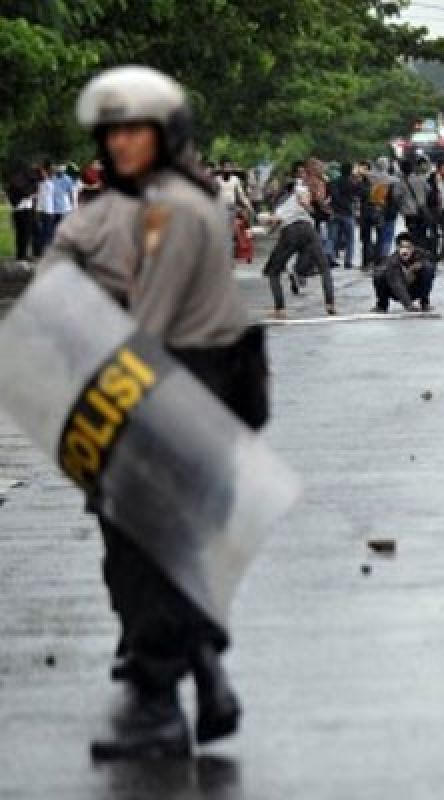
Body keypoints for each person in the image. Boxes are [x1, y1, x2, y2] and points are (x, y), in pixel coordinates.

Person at [43, 65, 271, 760]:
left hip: (174, 384)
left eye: (137, 132)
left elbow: (147, 321)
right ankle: (203, 674)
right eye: (112, 133)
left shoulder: (178, 209)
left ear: (167, 136)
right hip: (134, 383)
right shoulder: (112, 209)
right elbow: (57, 273)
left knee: (146, 551)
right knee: (145, 550)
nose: (122, 145)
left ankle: (157, 704)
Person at [262, 182, 337, 318]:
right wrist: (307, 205)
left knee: (273, 271)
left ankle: (280, 309)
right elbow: (304, 198)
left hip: (290, 232)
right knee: (324, 267)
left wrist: (266, 220)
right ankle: (330, 304)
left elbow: (274, 225)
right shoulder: (298, 192)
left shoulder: (281, 203)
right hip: (309, 230)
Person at [372, 232, 436, 313]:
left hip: (415, 290)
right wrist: (408, 305)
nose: (405, 250)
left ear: (413, 247)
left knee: (428, 269)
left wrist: (417, 267)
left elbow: (431, 264)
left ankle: (424, 302)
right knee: (379, 274)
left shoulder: (422, 255)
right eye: (402, 247)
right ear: (397, 248)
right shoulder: (393, 261)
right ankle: (382, 305)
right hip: (396, 292)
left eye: (408, 247)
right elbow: (397, 284)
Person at [328, 160, 360, 269]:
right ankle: (348, 261)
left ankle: (330, 258)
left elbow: (333, 195)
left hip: (335, 212)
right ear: (350, 171)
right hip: (348, 213)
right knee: (350, 239)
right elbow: (358, 194)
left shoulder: (334, 182)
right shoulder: (352, 183)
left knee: (332, 237)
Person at [4, 163, 38, 262]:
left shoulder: (15, 181)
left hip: (17, 210)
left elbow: (11, 194)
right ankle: (22, 256)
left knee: (19, 234)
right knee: (25, 234)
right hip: (25, 210)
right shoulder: (26, 182)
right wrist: (33, 193)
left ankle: (20, 255)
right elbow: (29, 193)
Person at [399, 159, 431, 254]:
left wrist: (401, 206)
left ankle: (415, 252)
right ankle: (423, 252)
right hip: (422, 210)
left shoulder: (401, 182)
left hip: (409, 212)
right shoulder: (421, 178)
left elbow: (397, 195)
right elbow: (429, 190)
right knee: (422, 233)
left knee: (412, 233)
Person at [426, 158, 444, 263]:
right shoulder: (432, 178)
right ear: (439, 168)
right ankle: (434, 252)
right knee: (434, 231)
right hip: (435, 208)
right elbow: (429, 193)